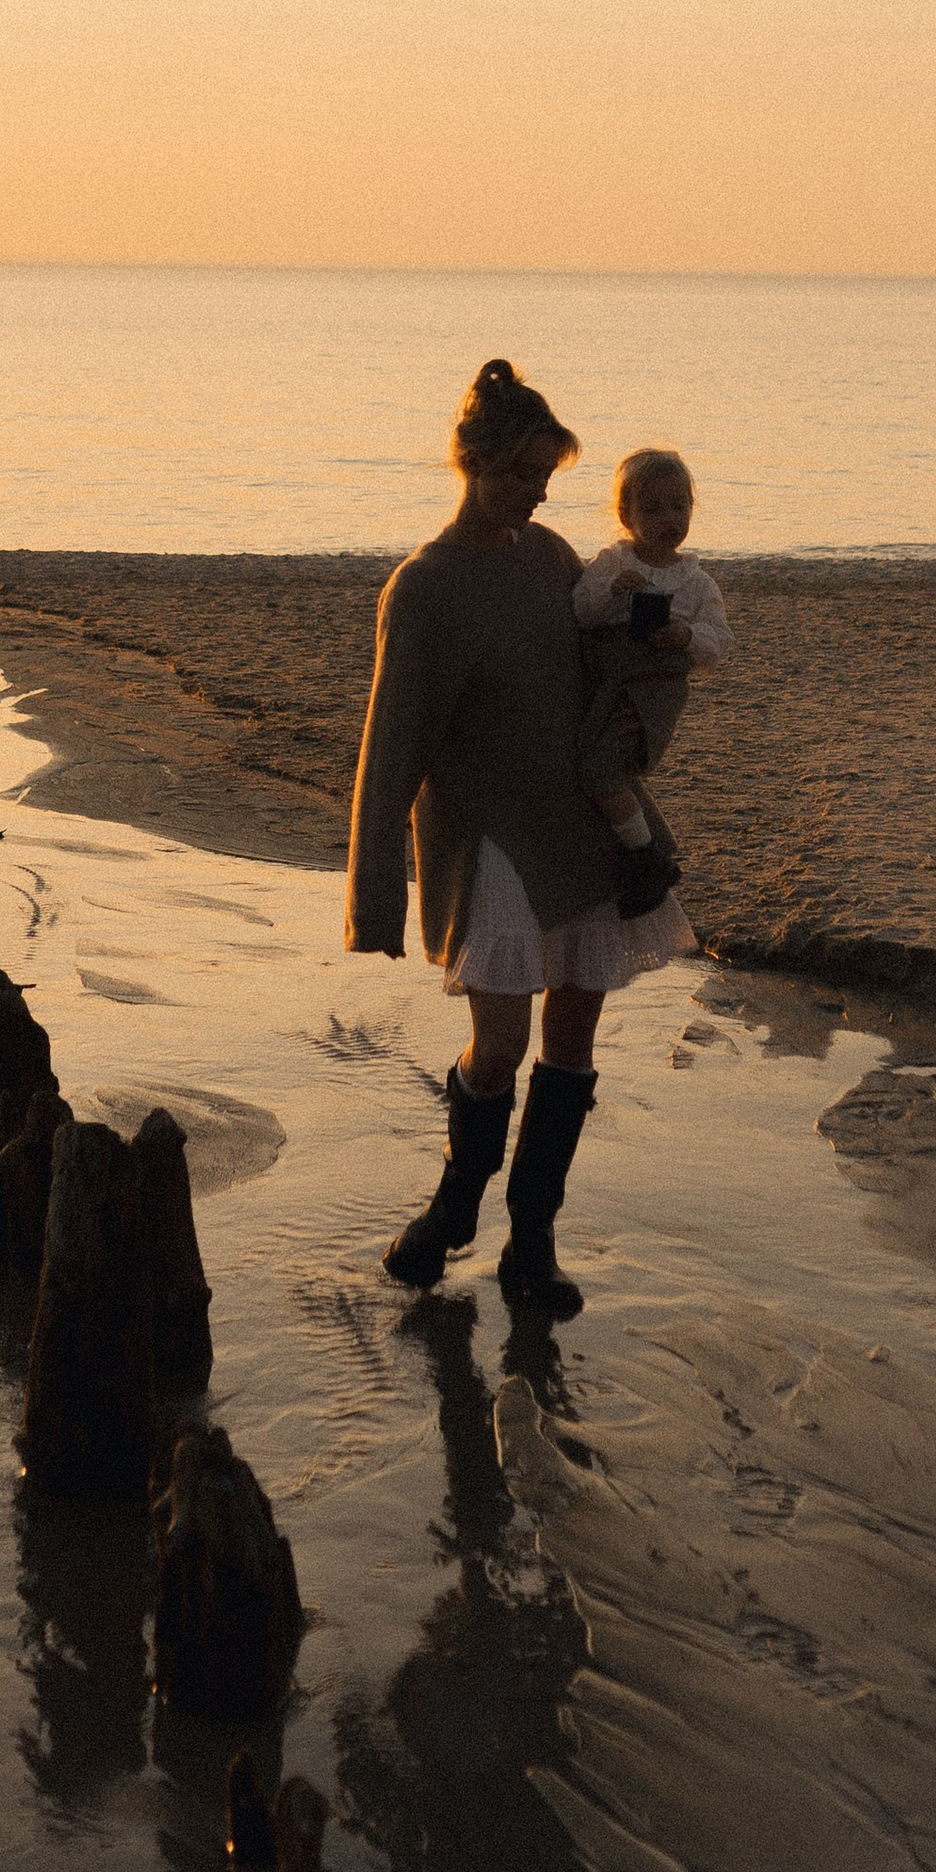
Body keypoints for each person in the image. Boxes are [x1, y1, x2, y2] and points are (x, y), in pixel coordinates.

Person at [346, 358, 692, 1315]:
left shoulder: (549, 559)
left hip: (578, 828)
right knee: (497, 1045)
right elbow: (390, 753)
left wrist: (666, 656)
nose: (538, 495)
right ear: (471, 464)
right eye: (521, 476)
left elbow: (605, 670)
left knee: (574, 1031)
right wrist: (375, 896)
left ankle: (530, 1243)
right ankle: (456, 1209)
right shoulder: (422, 588)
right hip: (488, 841)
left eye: (547, 478)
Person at [572, 446, 732, 917]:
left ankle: (645, 856)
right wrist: (611, 591)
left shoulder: (697, 583)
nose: (670, 518)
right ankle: (654, 844)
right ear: (626, 515)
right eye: (654, 508)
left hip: (655, 692)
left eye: (679, 506)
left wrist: (685, 634)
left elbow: (718, 644)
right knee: (600, 764)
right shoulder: (612, 563)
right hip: (607, 681)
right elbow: (580, 611)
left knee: (600, 770)